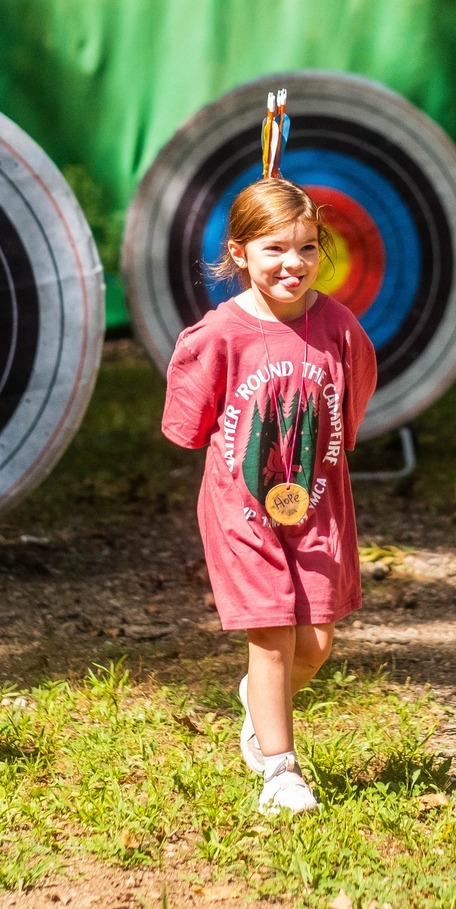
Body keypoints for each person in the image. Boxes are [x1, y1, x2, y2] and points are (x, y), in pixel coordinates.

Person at [161, 177, 376, 815]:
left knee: (315, 642)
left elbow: (351, 406)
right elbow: (189, 425)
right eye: (275, 249)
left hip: (317, 506)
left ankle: (260, 700)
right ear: (239, 253)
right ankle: (281, 773)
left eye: (308, 248)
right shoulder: (219, 334)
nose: (294, 264)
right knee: (273, 632)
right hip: (240, 510)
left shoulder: (339, 328)